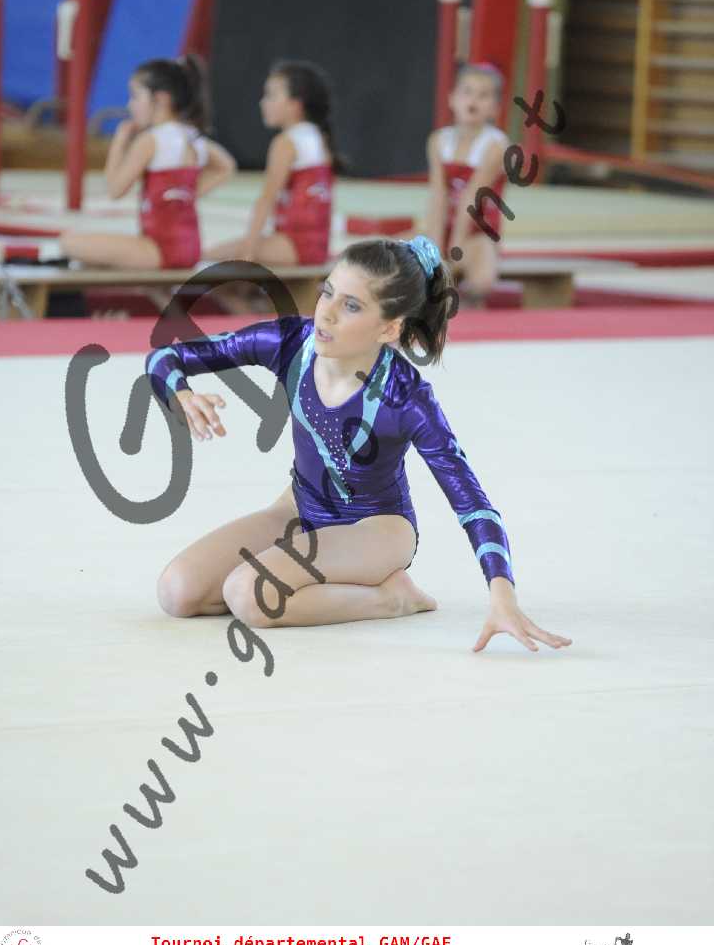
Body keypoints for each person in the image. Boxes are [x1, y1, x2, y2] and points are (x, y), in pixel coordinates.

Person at [144, 234, 571, 652]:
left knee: (248, 594)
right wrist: (180, 392)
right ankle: (311, 582)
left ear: (389, 328)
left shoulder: (405, 397)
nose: (326, 315)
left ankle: (392, 598)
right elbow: (165, 356)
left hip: (374, 529)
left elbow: (472, 503)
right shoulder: (290, 344)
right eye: (327, 293)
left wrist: (502, 594)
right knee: (177, 592)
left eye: (350, 306)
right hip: (299, 509)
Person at [3, 55, 235, 269]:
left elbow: (115, 189)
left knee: (69, 241)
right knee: (93, 259)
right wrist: (187, 194)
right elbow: (226, 167)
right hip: (190, 248)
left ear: (161, 99)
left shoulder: (150, 140)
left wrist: (120, 141)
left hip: (160, 250)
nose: (129, 105)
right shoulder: (193, 138)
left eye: (135, 96)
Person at [205, 59, 339, 271]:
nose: (263, 102)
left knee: (208, 257)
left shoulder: (286, 142)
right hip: (317, 246)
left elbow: (266, 199)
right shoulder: (319, 137)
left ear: (295, 105)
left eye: (271, 96)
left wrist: (247, 252)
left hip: (294, 245)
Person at [424, 62, 509, 308]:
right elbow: (438, 195)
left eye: (483, 96)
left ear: (495, 108)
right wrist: (435, 248)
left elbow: (471, 197)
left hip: (476, 234)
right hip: (445, 228)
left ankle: (468, 300)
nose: (473, 100)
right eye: (467, 92)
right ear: (452, 99)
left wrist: (456, 250)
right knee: (395, 251)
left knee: (482, 280)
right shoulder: (438, 141)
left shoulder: (496, 146)